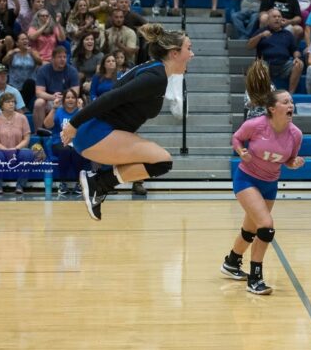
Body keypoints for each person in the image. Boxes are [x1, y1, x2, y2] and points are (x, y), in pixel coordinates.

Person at [61, 24, 192, 221]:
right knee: (162, 161)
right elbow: (112, 97)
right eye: (188, 49)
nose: (191, 54)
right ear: (174, 53)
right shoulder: (155, 77)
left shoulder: (155, 71)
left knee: (160, 161)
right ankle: (98, 182)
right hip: (95, 134)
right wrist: (74, 123)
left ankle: (100, 182)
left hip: (99, 132)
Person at [223, 89, 304, 295]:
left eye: (291, 102)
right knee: (266, 227)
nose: (290, 106)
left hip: (270, 183)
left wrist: (294, 163)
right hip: (247, 179)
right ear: (272, 108)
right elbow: (237, 138)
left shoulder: (296, 134)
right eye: (285, 102)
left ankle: (232, 262)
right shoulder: (256, 125)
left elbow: (289, 160)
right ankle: (255, 277)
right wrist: (241, 151)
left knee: (251, 229)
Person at [43, 88, 88, 195]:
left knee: (76, 151)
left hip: (77, 142)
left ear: (77, 100)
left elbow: (86, 127)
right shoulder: (58, 111)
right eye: (68, 97)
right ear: (64, 100)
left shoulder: (80, 111)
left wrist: (81, 109)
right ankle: (62, 183)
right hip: (59, 142)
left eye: (73, 97)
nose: (70, 100)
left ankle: (79, 183)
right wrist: (54, 108)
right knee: (66, 150)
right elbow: (47, 125)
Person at [0, 91, 33, 195]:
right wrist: (5, 150)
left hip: (18, 149)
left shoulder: (22, 118)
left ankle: (20, 186)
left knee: (27, 153)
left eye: (13, 102)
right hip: (0, 149)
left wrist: (15, 149)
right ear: (1, 105)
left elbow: (26, 139)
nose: (12, 104)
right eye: (8, 102)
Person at [249, 9, 304, 94]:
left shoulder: (287, 34)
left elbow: (295, 50)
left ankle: (290, 93)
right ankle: (264, 94)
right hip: (266, 64)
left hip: (283, 65)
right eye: (274, 17)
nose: (277, 19)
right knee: (260, 66)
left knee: (299, 64)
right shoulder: (261, 31)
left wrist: (296, 57)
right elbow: (249, 46)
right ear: (268, 20)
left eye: (279, 17)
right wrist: (260, 36)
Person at [33, 46, 79, 130]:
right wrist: (53, 97)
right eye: (59, 57)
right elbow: (39, 92)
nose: (62, 59)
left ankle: (69, 132)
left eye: (64, 57)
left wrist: (65, 98)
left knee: (77, 101)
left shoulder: (72, 71)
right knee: (38, 103)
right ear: (53, 58)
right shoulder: (43, 70)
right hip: (49, 99)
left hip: (66, 99)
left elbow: (76, 92)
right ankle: (39, 132)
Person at [3, 32, 42, 109]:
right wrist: (12, 53)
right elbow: (4, 62)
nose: (25, 41)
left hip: (29, 87)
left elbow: (40, 62)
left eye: (26, 39)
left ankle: (23, 106)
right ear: (17, 43)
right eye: (22, 39)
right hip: (15, 85)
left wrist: (32, 54)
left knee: (30, 83)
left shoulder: (33, 52)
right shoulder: (13, 53)